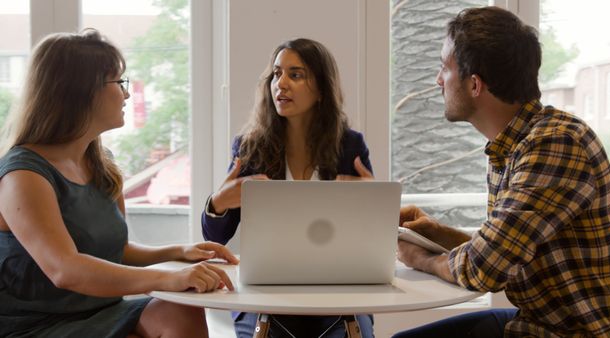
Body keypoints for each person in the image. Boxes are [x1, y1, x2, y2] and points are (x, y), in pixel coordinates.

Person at [394, 6, 610, 338]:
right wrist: (434, 233)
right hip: (536, 322)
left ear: (475, 84)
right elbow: (505, 252)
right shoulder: (513, 145)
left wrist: (420, 258)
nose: (438, 80)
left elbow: (484, 269)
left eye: (444, 68)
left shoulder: (555, 145)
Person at [0, 29, 239, 338]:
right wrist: (167, 279)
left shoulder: (101, 163)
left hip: (103, 311)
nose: (127, 93)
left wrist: (179, 250)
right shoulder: (23, 174)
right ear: (80, 91)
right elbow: (65, 269)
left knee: (182, 310)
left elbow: (117, 249)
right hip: (37, 325)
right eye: (119, 82)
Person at [201, 38, 375, 337]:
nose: (281, 83)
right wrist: (218, 203)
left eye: (295, 75)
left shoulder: (350, 145)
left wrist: (372, 200)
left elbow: (372, 235)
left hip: (339, 289)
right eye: (276, 74)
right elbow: (215, 237)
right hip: (265, 293)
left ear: (321, 89)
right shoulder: (249, 148)